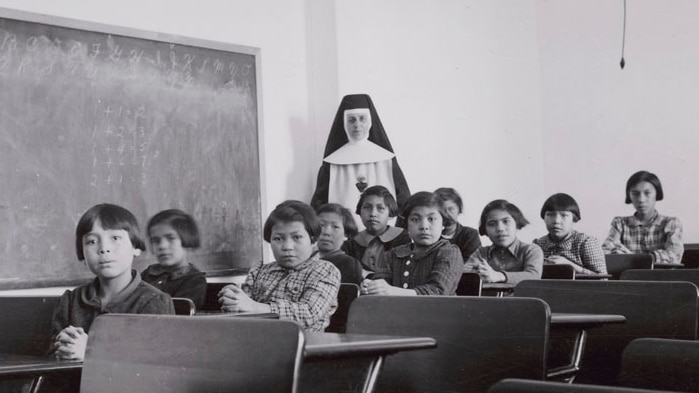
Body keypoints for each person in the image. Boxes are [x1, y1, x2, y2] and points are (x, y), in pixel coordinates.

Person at [51, 204, 175, 362]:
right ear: (82, 253)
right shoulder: (70, 301)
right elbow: (50, 357)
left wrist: (91, 352)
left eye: (115, 238)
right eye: (91, 241)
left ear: (136, 247)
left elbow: (156, 365)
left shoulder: (154, 302)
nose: (104, 249)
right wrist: (61, 347)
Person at [218, 200, 340, 331]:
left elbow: (308, 314)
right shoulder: (258, 271)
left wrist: (255, 307)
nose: (287, 247)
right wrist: (233, 299)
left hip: (303, 346)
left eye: (297, 237)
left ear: (313, 239)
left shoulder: (326, 270)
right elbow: (243, 310)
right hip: (258, 342)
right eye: (278, 239)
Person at [310, 94, 410, 227]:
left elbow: (404, 199)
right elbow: (319, 203)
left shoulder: (386, 158)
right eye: (352, 120)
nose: (357, 125)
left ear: (370, 121)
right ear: (344, 123)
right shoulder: (332, 161)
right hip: (344, 236)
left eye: (362, 119)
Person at [361, 192, 463, 296]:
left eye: (431, 219)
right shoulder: (393, 255)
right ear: (407, 224)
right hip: (395, 311)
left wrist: (392, 291)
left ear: (443, 224)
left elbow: (438, 290)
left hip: (437, 311)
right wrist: (372, 287)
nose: (424, 226)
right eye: (415, 219)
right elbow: (382, 283)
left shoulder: (449, 252)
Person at [602, 170, 684, 264]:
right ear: (629, 195)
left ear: (657, 194)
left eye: (647, 193)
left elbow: (674, 256)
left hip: (663, 278)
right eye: (635, 193)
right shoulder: (620, 223)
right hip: (627, 277)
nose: (641, 199)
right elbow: (606, 251)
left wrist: (630, 257)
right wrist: (651, 258)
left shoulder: (671, 223)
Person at [465, 199, 543, 284]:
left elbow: (533, 276)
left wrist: (498, 276)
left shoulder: (531, 250)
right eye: (492, 224)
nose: (500, 229)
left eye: (506, 221)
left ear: (517, 225)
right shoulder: (481, 253)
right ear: (485, 229)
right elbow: (464, 274)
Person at [141, 209, 207, 308]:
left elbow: (179, 314)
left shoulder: (194, 280)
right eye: (156, 240)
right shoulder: (148, 274)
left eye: (171, 238)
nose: (162, 246)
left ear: (187, 240)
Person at [342, 185, 411, 277]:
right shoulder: (352, 242)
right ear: (360, 211)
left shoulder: (401, 237)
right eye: (367, 207)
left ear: (390, 214)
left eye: (380, 208)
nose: (373, 214)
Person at [533, 193, 607, 274]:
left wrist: (570, 266)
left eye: (564, 215)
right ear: (544, 218)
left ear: (574, 219)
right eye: (550, 215)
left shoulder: (585, 242)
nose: (556, 221)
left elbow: (603, 279)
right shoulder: (538, 244)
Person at [315, 203, 364, 285]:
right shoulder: (303, 259)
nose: (326, 232)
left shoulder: (348, 264)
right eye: (321, 225)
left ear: (346, 235)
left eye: (335, 227)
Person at [434, 187, 481, 261]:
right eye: (441, 211)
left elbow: (472, 264)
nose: (447, 215)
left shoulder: (470, 235)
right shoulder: (431, 237)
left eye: (451, 209)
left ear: (459, 209)